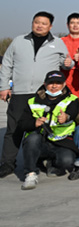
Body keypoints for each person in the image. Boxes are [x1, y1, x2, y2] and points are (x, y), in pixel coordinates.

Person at [0, 11, 70, 178]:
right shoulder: (19, 41)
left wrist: (69, 63)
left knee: (45, 128)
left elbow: (66, 63)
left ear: (50, 26)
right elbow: (7, 63)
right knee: (14, 129)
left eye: (44, 23)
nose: (39, 25)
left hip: (44, 95)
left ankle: (43, 160)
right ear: (32, 23)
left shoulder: (58, 43)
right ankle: (8, 163)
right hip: (20, 92)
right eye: (37, 22)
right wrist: (4, 87)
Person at [19, 71, 79, 190]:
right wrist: (34, 123)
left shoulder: (72, 99)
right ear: (45, 84)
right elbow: (21, 124)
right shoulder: (32, 101)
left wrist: (66, 117)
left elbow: (73, 113)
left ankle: (50, 163)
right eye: (51, 83)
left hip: (61, 142)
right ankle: (30, 174)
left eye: (58, 83)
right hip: (40, 141)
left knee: (67, 161)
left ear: (64, 84)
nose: (54, 86)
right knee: (32, 139)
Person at [61, 12, 79, 100]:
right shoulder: (60, 42)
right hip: (63, 78)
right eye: (72, 23)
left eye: (78, 23)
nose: (75, 25)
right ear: (67, 25)